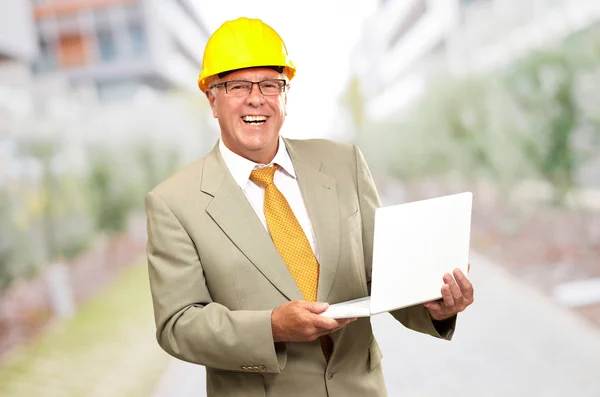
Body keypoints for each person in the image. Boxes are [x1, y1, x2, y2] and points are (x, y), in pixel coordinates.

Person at [145, 17, 474, 397]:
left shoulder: (342, 162)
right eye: (238, 86)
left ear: (285, 96)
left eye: (270, 84)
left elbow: (382, 277)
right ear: (212, 99)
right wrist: (271, 327)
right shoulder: (174, 203)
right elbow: (178, 325)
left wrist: (438, 305)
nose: (257, 98)